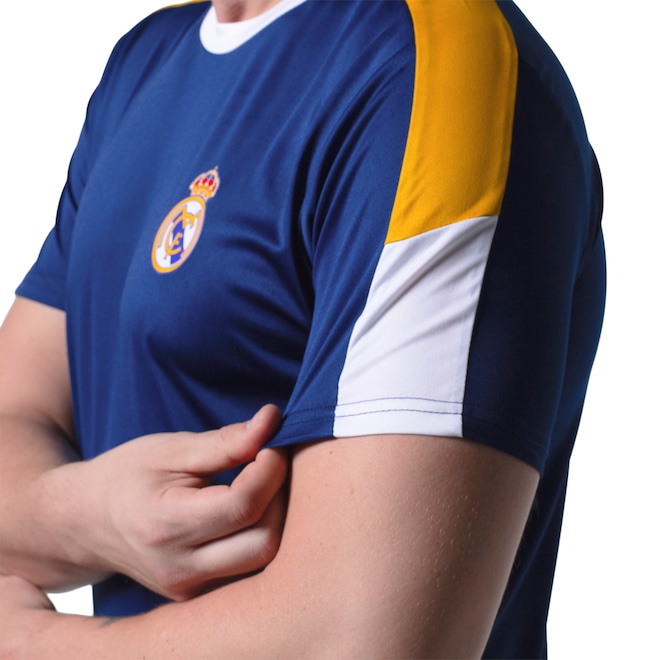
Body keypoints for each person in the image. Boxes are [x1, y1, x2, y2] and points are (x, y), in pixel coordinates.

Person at [0, 0, 606, 656]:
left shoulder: (440, 65)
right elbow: (12, 414)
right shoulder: (146, 58)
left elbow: (361, 641)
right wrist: (96, 517)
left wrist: (31, 643)